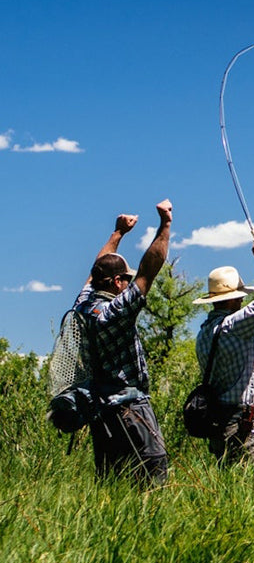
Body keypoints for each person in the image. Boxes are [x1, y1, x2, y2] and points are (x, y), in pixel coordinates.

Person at [74, 200, 173, 485]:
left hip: (100, 410)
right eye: (125, 280)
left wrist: (117, 233)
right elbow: (148, 269)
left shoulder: (82, 306)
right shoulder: (114, 313)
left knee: (111, 481)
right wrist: (165, 224)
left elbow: (96, 272)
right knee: (152, 472)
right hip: (131, 409)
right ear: (117, 282)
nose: (129, 284)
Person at [193, 236, 254, 466]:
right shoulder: (235, 325)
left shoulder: (205, 332)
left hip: (218, 422)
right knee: (249, 489)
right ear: (235, 299)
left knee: (228, 489)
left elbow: (224, 374)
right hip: (241, 422)